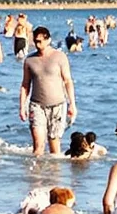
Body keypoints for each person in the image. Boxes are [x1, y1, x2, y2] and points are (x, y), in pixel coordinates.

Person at [19, 26, 76, 156]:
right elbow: (25, 85)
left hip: (58, 105)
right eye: (35, 41)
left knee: (54, 145)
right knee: (38, 147)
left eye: (40, 41)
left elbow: (67, 81)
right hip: (36, 105)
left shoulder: (60, 57)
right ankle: (36, 175)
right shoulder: (29, 60)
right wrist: (22, 107)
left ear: (48, 40)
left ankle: (53, 176)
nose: (38, 45)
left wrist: (72, 104)